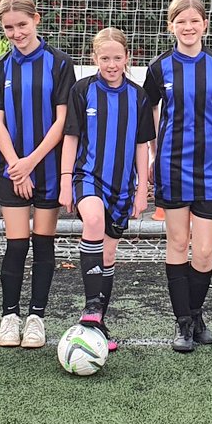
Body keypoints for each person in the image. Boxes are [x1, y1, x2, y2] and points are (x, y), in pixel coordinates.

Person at [143, 0, 212, 352]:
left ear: (204, 25)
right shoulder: (160, 67)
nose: (188, 27)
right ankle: (183, 323)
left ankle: (196, 313)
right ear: (171, 26)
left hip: (211, 168)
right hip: (172, 166)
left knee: (203, 251)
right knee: (177, 244)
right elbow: (149, 107)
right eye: (180, 21)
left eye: (194, 21)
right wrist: (154, 152)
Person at [0, 0, 76, 348]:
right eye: (9, 28)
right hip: (13, 169)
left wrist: (31, 163)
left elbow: (61, 122)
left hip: (47, 167)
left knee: (43, 244)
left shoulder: (58, 63)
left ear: (36, 19)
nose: (16, 33)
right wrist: (15, 166)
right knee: (15, 245)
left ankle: (36, 316)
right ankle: (10, 316)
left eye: (22, 25)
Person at [59, 27, 155, 352]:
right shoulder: (82, 91)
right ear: (94, 58)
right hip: (87, 177)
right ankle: (90, 307)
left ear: (127, 58)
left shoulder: (138, 96)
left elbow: (143, 146)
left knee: (110, 253)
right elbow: (70, 137)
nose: (111, 64)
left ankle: (99, 322)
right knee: (94, 222)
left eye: (117, 58)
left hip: (123, 186)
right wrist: (64, 180)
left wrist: (142, 190)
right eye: (104, 58)